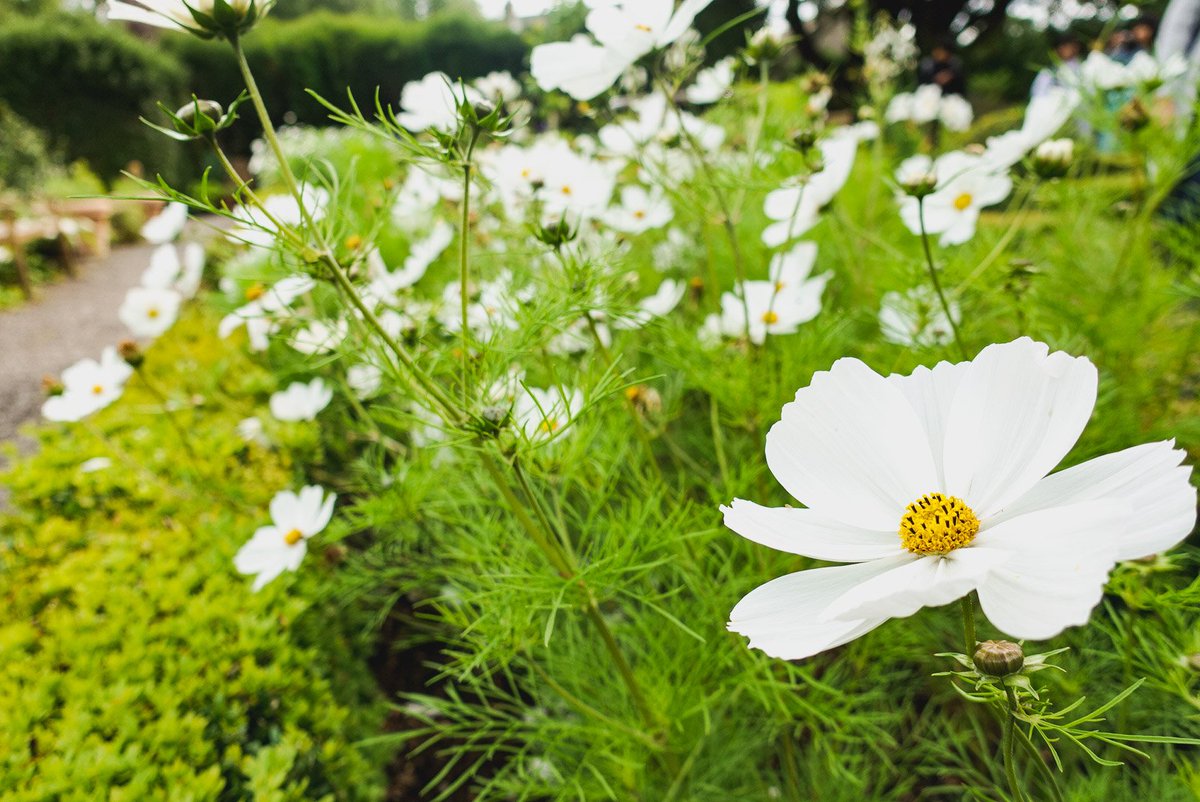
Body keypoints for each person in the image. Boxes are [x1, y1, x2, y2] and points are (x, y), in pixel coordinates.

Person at [1030, 32, 1083, 98]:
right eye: (1063, 46)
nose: (1068, 49)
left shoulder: (1085, 67)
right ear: (1056, 50)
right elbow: (1038, 96)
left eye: (1071, 45)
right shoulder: (1048, 73)